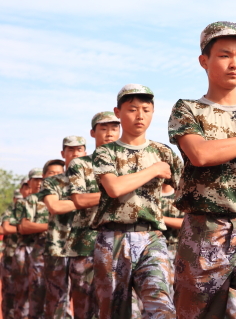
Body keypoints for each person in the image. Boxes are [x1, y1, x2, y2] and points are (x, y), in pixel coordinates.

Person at [168, 21, 236, 319]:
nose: (234, 64)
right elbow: (200, 154)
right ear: (204, 61)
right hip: (203, 231)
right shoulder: (188, 109)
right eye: (224, 55)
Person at [93, 84, 182, 318]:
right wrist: (154, 170)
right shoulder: (106, 152)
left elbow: (186, 191)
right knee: (113, 312)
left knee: (162, 307)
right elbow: (114, 188)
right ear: (118, 112)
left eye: (146, 109)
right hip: (112, 238)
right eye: (132, 109)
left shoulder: (164, 152)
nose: (140, 115)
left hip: (152, 237)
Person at [66, 111, 120, 319]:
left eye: (114, 128)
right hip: (86, 245)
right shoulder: (80, 164)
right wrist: (117, 191)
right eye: (103, 128)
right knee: (85, 310)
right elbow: (79, 200)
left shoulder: (128, 163)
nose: (109, 133)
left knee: (119, 308)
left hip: (121, 245)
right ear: (92, 133)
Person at [41, 136, 87, 318]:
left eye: (79, 149)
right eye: (70, 150)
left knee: (86, 300)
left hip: (85, 247)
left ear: (85, 152)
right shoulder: (52, 181)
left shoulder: (92, 179)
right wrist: (86, 201)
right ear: (63, 153)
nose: (75, 153)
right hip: (58, 247)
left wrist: (72, 202)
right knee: (57, 302)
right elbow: (55, 207)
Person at [17, 164, 54, 318]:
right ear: (29, 182)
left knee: (59, 296)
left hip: (60, 251)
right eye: (35, 180)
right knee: (35, 292)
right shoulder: (29, 201)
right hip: (35, 250)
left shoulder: (59, 196)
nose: (39, 183)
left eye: (41, 179)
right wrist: (53, 226)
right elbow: (23, 227)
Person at [7, 175, 33, 319]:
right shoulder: (17, 208)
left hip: (40, 253)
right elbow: (6, 228)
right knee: (18, 293)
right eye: (26, 187)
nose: (28, 190)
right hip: (17, 253)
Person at [1, 183, 26, 318]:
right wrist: (26, 228)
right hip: (10, 257)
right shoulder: (10, 212)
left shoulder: (31, 209)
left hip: (27, 258)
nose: (19, 201)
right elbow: (4, 228)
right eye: (17, 199)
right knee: (9, 293)